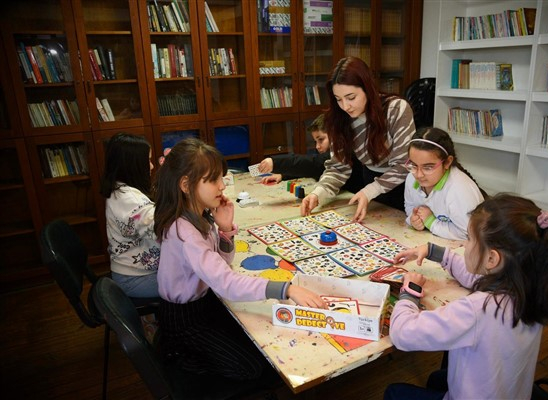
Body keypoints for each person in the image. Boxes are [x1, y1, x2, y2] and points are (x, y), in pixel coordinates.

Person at [153, 138, 326, 381]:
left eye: (221, 177)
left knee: (258, 343)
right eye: (213, 180)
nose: (222, 186)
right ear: (185, 184)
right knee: (252, 367)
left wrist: (224, 229)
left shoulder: (198, 215)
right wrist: (285, 289)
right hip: (184, 320)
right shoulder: (184, 231)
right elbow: (227, 282)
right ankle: (178, 354)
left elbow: (221, 264)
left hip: (205, 302)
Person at [385, 193, 548, 400]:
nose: (465, 245)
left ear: (492, 258)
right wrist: (438, 253)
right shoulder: (531, 289)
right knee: (436, 379)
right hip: (510, 393)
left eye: (469, 239)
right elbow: (476, 276)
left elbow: (403, 334)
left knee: (394, 392)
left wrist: (409, 293)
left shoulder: (478, 310)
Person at [300, 56, 416, 222]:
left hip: (403, 188)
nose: (345, 106)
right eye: (338, 99)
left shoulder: (396, 109)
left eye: (351, 97)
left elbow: (404, 164)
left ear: (367, 88)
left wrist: (369, 191)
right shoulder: (339, 118)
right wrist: (317, 193)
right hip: (370, 186)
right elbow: (338, 168)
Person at [100, 132, 160, 298]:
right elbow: (161, 227)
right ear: (132, 165)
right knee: (195, 283)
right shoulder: (128, 198)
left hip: (131, 272)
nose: (152, 166)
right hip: (135, 279)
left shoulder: (120, 189)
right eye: (147, 161)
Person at [404, 127, 486, 240]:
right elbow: (409, 206)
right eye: (413, 165)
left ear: (447, 162)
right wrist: (413, 219)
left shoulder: (459, 189)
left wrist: (431, 223)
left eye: (428, 167)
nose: (418, 175)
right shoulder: (411, 178)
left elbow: (469, 233)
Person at [258, 114, 363, 192]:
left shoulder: (344, 152)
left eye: (321, 139)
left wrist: (276, 162)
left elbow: (314, 164)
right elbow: (311, 168)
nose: (317, 146)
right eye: (315, 141)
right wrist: (283, 175)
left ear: (335, 135)